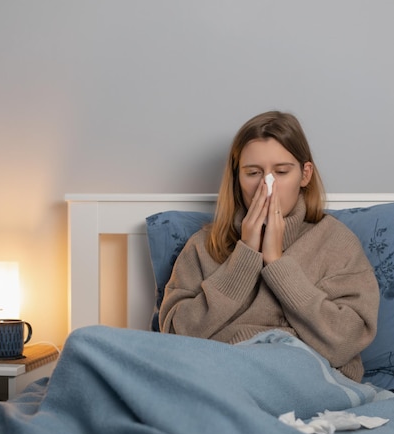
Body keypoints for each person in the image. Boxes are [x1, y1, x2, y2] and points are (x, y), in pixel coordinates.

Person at [159, 110, 379, 383]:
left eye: (282, 171)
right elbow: (175, 337)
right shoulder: (204, 246)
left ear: (304, 175)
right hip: (220, 373)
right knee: (96, 343)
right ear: (237, 179)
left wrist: (276, 263)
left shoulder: (337, 242)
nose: (267, 186)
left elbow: (347, 340)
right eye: (253, 173)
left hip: (305, 376)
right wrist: (245, 256)